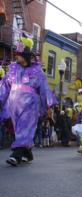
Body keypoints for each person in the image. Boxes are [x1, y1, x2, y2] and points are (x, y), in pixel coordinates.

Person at [0, 32, 57, 166]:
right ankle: (27, 153)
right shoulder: (13, 69)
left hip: (30, 106)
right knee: (19, 130)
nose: (16, 56)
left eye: (18, 54)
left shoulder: (37, 72)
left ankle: (16, 156)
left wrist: (47, 106)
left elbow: (44, 89)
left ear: (25, 56)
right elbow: (5, 87)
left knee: (25, 128)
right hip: (14, 106)